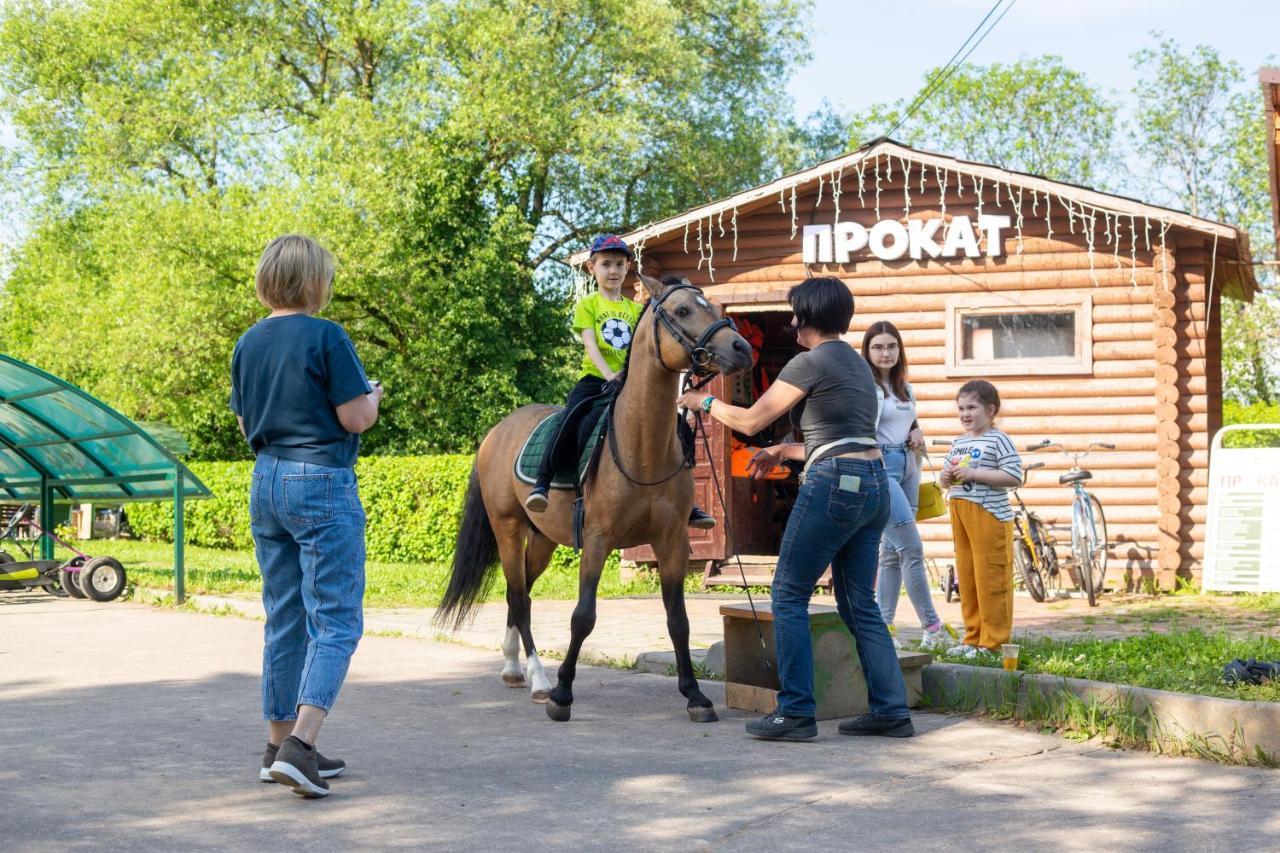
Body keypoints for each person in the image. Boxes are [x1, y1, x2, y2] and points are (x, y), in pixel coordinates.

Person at [680, 276, 913, 741]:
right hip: (874, 486)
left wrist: (701, 400)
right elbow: (842, 439)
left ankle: (796, 713)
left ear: (807, 318)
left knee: (787, 593)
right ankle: (891, 710)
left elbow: (749, 419)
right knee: (859, 604)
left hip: (834, 488)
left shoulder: (810, 362)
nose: (790, 321)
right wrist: (784, 453)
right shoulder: (857, 366)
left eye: (795, 313)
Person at [230, 234, 384, 798]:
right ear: (315, 282)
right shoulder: (327, 336)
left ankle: (279, 747)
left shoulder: (248, 343)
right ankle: (302, 745)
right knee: (338, 618)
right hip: (319, 478)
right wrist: (373, 396)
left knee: (285, 615)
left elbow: (248, 427)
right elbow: (354, 418)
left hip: (266, 479)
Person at [525, 234, 714, 529]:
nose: (613, 270)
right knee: (572, 419)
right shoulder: (588, 305)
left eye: (619, 264)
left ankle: (685, 502)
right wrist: (609, 374)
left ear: (627, 268)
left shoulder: (635, 309)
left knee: (678, 428)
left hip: (630, 386)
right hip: (596, 380)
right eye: (606, 264)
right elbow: (590, 344)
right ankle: (542, 483)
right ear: (592, 268)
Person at [862, 321, 948, 650]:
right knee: (911, 548)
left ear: (900, 350)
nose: (886, 353)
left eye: (891, 346)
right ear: (868, 352)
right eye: (878, 347)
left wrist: (918, 431)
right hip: (880, 468)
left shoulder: (905, 388)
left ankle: (883, 628)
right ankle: (932, 625)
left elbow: (908, 423)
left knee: (891, 554)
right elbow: (863, 429)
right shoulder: (867, 387)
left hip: (910, 464)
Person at [939, 379, 1022, 658]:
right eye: (961, 408)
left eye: (971, 407)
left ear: (990, 409)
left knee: (990, 577)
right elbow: (946, 478)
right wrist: (945, 478)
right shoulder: (959, 442)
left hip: (989, 516)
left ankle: (993, 642)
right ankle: (972, 638)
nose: (965, 414)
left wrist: (975, 474)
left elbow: (1014, 475)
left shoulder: (999, 439)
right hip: (961, 513)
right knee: (968, 576)